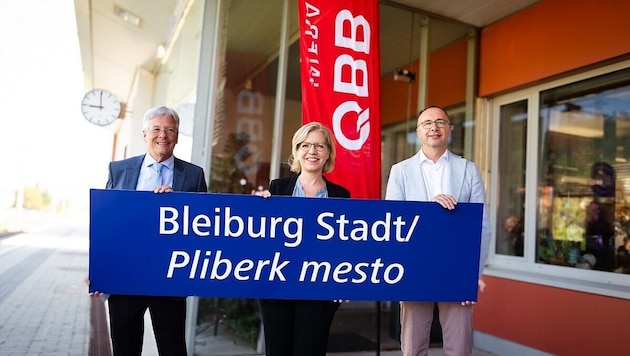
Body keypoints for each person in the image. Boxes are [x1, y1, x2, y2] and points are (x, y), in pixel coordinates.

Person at [92, 106, 207, 355]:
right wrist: (99, 268)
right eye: (156, 129)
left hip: (169, 278)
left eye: (169, 130)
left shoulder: (193, 175)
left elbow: (203, 226)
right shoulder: (119, 170)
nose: (162, 135)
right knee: (125, 347)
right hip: (126, 276)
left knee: (173, 348)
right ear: (145, 134)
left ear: (177, 135)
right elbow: (107, 222)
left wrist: (178, 206)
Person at [385, 106, 491, 356]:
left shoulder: (468, 169)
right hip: (414, 268)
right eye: (428, 123)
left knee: (459, 347)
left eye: (441, 122)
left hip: (456, 269)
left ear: (450, 129)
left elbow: (482, 226)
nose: (434, 127)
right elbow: (393, 222)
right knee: (413, 347)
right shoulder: (401, 171)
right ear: (418, 132)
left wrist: (472, 276)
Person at [254, 122, 350, 356]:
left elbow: (344, 244)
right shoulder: (276, 189)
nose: (312, 151)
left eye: (319, 145)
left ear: (328, 153)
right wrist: (257, 209)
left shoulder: (341, 195)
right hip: (277, 288)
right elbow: (261, 237)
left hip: (320, 288)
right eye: (305, 145)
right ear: (296, 151)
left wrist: (344, 279)